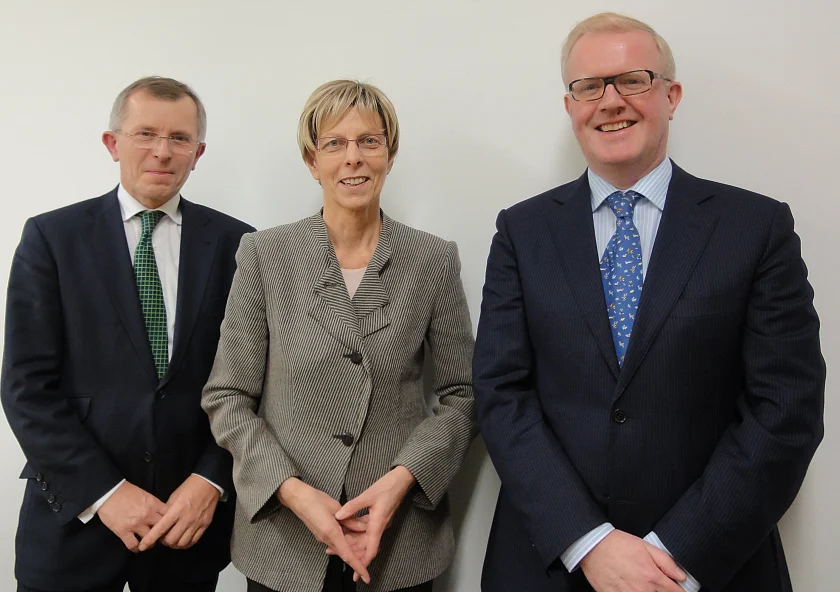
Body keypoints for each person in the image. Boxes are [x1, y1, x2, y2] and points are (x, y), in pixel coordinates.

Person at [473, 12, 825, 592]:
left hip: (711, 567)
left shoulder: (755, 228)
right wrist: (590, 543)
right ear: (570, 108)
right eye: (589, 86)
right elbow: (501, 394)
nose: (610, 101)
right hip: (553, 565)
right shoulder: (522, 231)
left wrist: (673, 556)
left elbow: (785, 409)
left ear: (671, 95)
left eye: (632, 80)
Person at [201, 79, 476, 592]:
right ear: (312, 161)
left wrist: (402, 480)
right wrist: (291, 490)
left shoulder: (432, 260)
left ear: (389, 155)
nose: (353, 157)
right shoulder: (265, 256)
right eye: (335, 144)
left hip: (400, 541)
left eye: (369, 141)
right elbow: (228, 396)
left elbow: (464, 395)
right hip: (284, 543)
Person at [1, 76, 254, 592]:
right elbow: (26, 388)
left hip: (186, 530)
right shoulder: (51, 238)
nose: (163, 151)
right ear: (112, 143)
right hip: (73, 525)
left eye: (180, 138)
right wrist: (107, 492)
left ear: (198, 152)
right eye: (145, 133)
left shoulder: (239, 244)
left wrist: (212, 479)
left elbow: (253, 383)